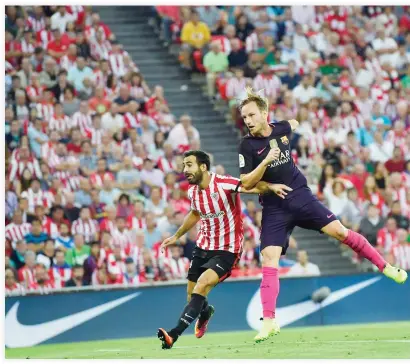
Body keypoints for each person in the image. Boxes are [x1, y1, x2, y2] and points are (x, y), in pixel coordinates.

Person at [237, 87, 408, 343]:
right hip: (275, 206)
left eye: (251, 115)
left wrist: (295, 122)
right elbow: (245, 183)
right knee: (268, 258)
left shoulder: (281, 128)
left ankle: (386, 267)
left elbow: (290, 123)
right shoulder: (247, 146)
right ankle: (269, 321)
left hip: (302, 196)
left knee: (340, 232)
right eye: (244, 117)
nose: (247, 121)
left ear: (264, 114)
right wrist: (265, 166)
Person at [157, 150, 291, 349]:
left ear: (203, 167)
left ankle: (173, 335)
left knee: (202, 286)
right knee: (192, 294)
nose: (185, 170)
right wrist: (177, 236)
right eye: (184, 165)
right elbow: (195, 213)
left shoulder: (223, 183)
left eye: (189, 165)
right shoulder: (193, 191)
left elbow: (250, 186)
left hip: (227, 250)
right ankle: (205, 312)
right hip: (203, 247)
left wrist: (270, 186)